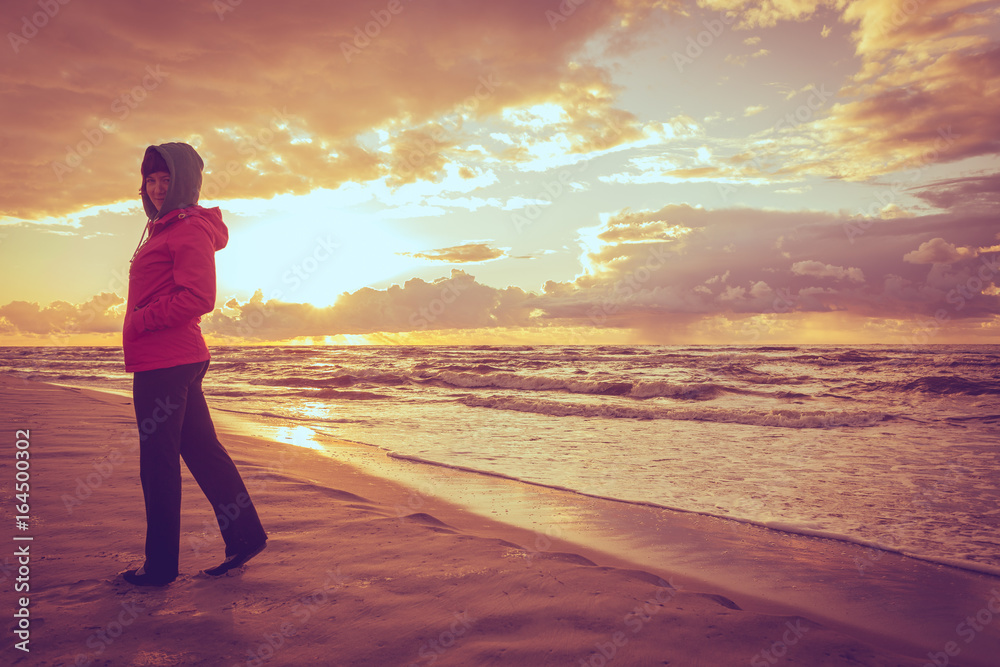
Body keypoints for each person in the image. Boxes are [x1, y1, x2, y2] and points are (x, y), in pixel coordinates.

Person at [121, 142, 267, 586]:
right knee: (202, 450)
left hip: (165, 361)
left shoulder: (186, 229)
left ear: (185, 181)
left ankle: (161, 567)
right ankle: (245, 535)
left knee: (158, 463)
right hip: (174, 358)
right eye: (152, 180)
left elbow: (199, 297)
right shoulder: (165, 227)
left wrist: (143, 320)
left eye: (167, 179)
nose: (159, 188)